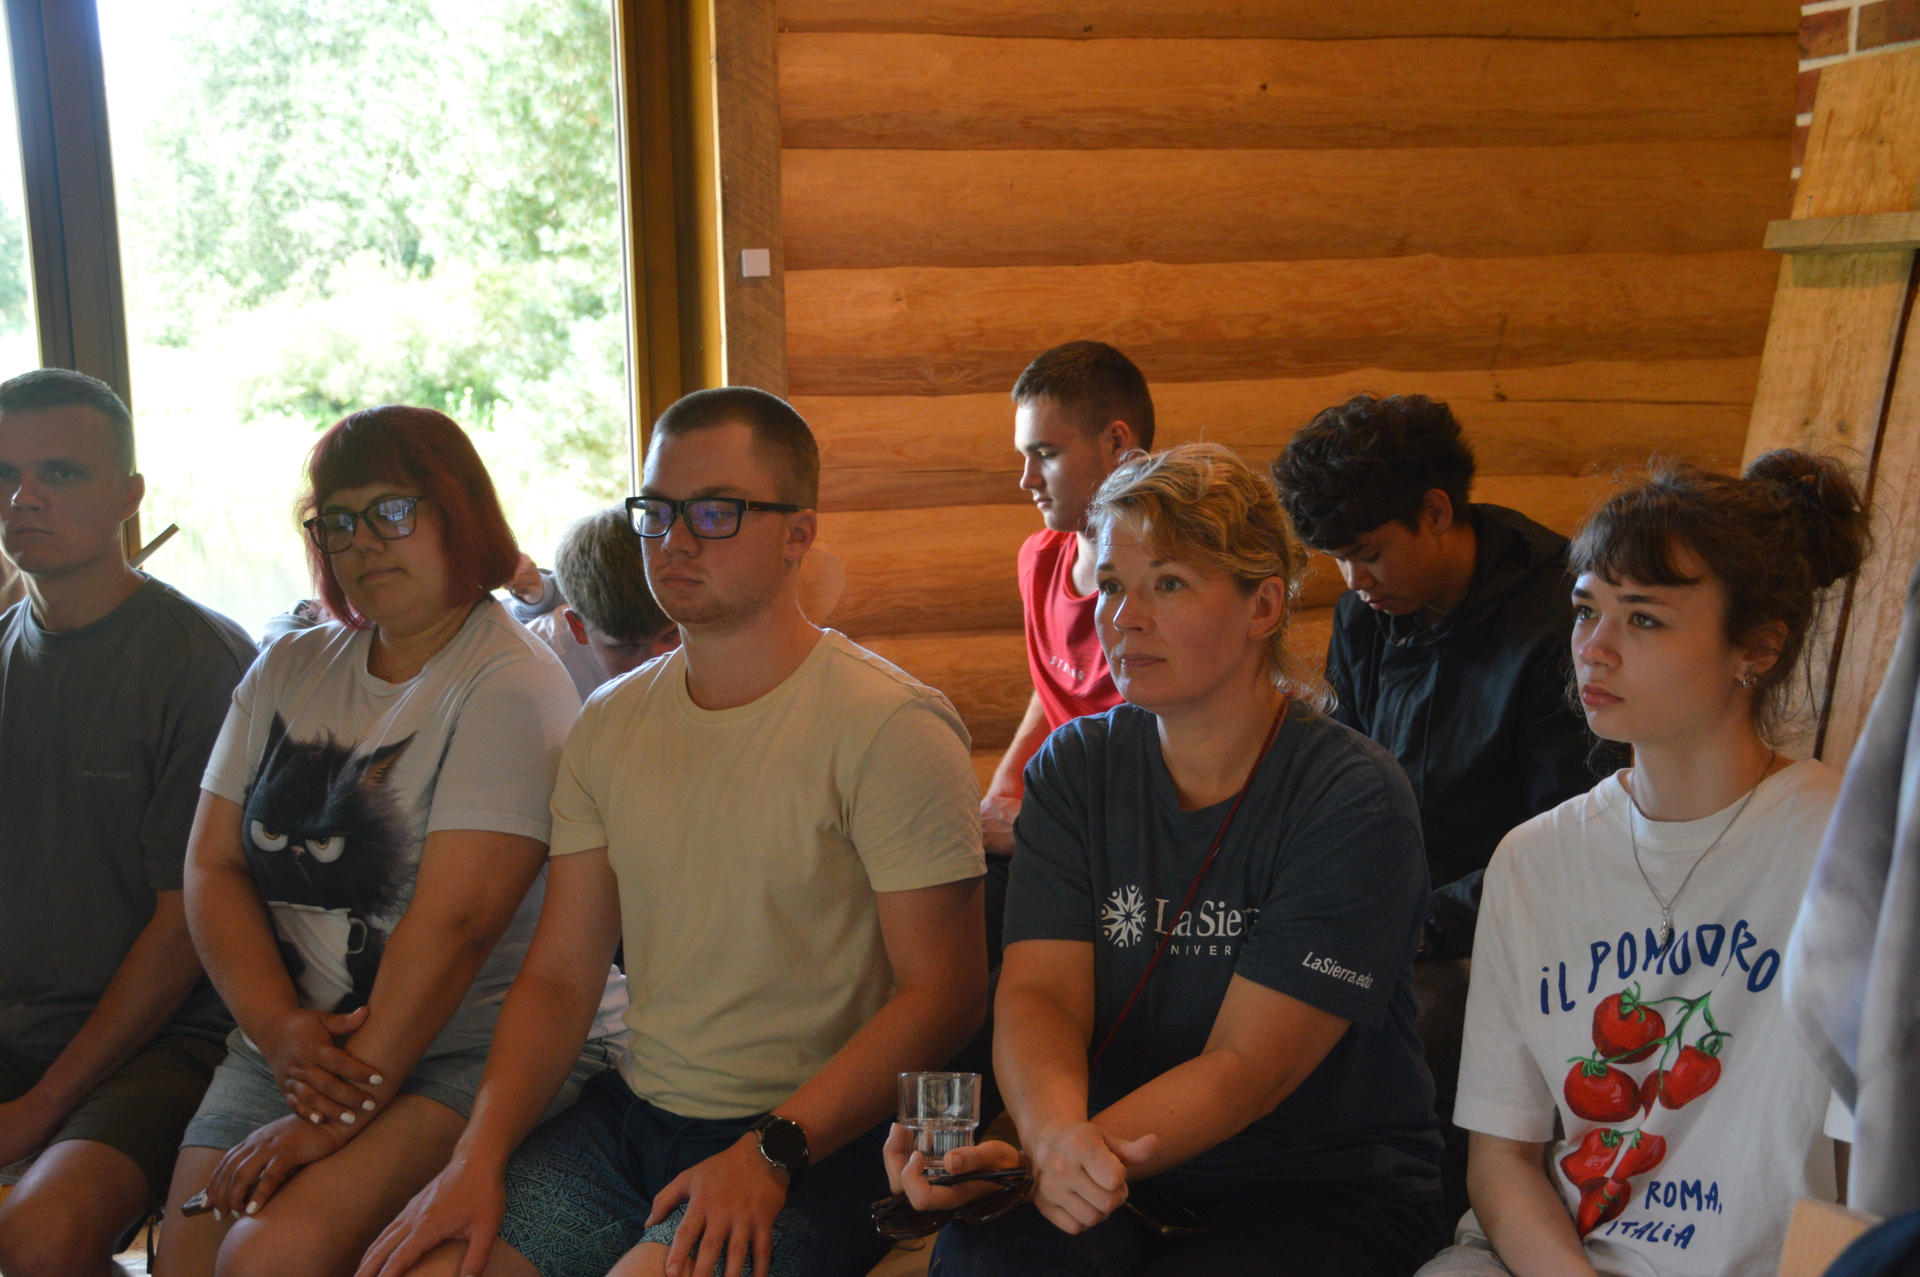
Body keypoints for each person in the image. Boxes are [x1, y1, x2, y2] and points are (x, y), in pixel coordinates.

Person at [354, 386, 987, 1277]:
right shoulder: (609, 722)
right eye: (656, 511)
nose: (676, 540)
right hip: (634, 1119)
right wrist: (476, 1157)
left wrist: (771, 1150)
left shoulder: (890, 725)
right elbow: (561, 972)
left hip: (819, 1140)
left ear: (798, 533)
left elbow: (945, 995)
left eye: (715, 511)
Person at [889, 444, 1446, 1277]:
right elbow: (1042, 994)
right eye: (1113, 584)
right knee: (984, 1259)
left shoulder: (1353, 794)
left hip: (1319, 1187)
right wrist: (1046, 1135)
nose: (1124, 618)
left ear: (1264, 605)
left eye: (1170, 584)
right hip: (1114, 1163)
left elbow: (1244, 1069)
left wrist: (1055, 1157)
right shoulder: (1074, 766)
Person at [155, 406, 625, 1277]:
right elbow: (211, 864)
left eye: (393, 511)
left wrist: (334, 1112)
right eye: (337, 521)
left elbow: (456, 929)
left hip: (464, 1051)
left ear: (460, 514)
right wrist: (280, 1027)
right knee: (188, 1256)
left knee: (268, 1258)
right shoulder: (289, 665)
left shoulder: (510, 682)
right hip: (291, 1048)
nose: (363, 541)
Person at [1422, 452, 1865, 1277]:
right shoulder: (1532, 859)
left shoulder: (1848, 848)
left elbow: (1866, 1170)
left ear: (1758, 646)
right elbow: (1502, 1159)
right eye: (1586, 610)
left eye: (1646, 619)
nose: (1594, 649)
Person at [0, 368, 254, 1276]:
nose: (24, 498)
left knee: (40, 1236)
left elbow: (183, 927)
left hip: (167, 1039)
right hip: (17, 1024)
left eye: (60, 473)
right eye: (6, 475)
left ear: (129, 496)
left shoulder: (203, 662)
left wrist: (36, 1110)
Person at [1270, 394, 1620, 957]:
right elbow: (1341, 782)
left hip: (1512, 930)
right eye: (1337, 557)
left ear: (1436, 512)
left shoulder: (1560, 628)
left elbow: (1567, 842)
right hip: (1390, 915)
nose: (1354, 580)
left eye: (1368, 553)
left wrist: (1414, 930)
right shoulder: (1362, 614)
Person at [980, 341, 1153, 858]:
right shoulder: (1039, 560)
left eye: (1047, 454)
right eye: (1024, 457)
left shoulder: (1170, 579)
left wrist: (1035, 826)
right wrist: (1004, 789)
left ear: (1116, 442)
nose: (1027, 479)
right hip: (1063, 809)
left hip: (1134, 829)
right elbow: (1057, 687)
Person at [505, 509, 681, 699]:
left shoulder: (700, 615)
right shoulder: (533, 664)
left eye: (672, 634)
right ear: (579, 627)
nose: (659, 664)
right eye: (630, 647)